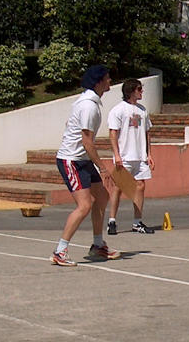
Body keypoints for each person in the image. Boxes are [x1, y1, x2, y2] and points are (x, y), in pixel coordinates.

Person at [50, 65, 122, 266]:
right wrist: (102, 167)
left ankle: (98, 245)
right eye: (107, 78)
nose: (110, 81)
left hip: (82, 159)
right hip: (71, 160)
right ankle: (60, 251)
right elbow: (87, 141)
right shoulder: (88, 106)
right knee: (84, 205)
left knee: (102, 197)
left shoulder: (88, 102)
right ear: (98, 81)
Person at [106, 79, 155, 235]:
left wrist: (149, 154)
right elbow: (113, 134)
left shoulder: (142, 110)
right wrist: (117, 155)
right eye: (139, 89)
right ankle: (112, 221)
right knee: (118, 188)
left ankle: (137, 222)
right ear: (131, 91)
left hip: (140, 157)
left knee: (140, 186)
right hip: (125, 157)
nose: (142, 92)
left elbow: (147, 133)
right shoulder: (118, 110)